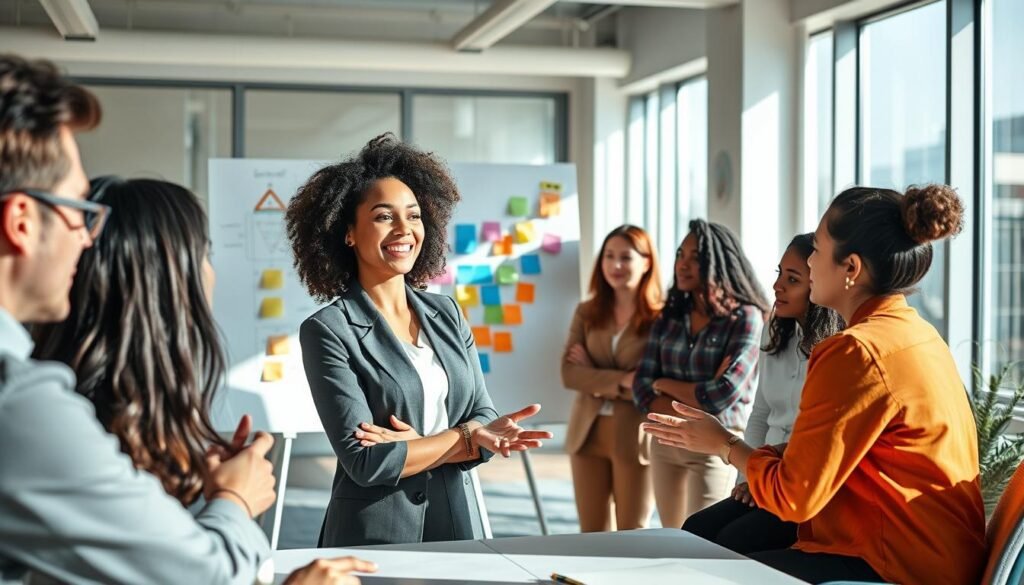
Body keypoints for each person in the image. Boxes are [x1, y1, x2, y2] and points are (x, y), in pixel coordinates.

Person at [0, 54, 273, 585]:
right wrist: (234, 500)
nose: (87, 236)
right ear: (21, 222)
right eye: (77, 211)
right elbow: (204, 577)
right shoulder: (20, 407)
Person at [32, 177, 383, 584]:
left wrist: (204, 488)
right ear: (164, 282)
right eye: (204, 253)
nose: (212, 273)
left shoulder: (83, 410)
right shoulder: (73, 435)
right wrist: (234, 501)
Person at [643, 185, 986, 585]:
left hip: (897, 562)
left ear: (851, 269)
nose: (809, 261)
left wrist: (724, 444)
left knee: (708, 567)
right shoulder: (919, 334)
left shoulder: (855, 352)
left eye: (817, 251)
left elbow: (794, 497)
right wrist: (763, 455)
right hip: (938, 552)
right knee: (701, 537)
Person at [286, 133, 553, 547]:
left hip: (455, 525)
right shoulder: (328, 330)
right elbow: (367, 461)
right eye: (383, 216)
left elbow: (484, 412)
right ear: (348, 233)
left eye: (413, 215)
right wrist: (463, 438)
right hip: (374, 534)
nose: (404, 229)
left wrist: (425, 444)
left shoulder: (446, 313)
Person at [681, 233, 842, 553]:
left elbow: (817, 445)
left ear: (818, 286)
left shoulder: (838, 350)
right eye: (779, 273)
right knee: (693, 530)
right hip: (762, 472)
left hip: (798, 483)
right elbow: (761, 413)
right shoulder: (774, 331)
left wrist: (762, 477)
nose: (777, 286)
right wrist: (746, 479)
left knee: (733, 542)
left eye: (792, 279)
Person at [631, 219, 769, 529]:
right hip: (665, 442)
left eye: (696, 257)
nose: (683, 264)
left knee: (700, 540)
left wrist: (662, 383)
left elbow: (719, 394)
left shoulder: (745, 317)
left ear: (718, 263)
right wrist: (687, 395)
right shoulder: (670, 315)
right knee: (671, 536)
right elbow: (640, 388)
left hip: (712, 447)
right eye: (681, 254)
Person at [561, 225, 663, 532]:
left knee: (633, 532)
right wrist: (622, 380)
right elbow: (569, 373)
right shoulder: (587, 311)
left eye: (625, 257)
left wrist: (593, 371)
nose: (615, 265)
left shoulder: (661, 317)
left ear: (646, 262)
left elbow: (650, 382)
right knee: (591, 532)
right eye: (609, 256)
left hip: (634, 435)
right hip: (587, 432)